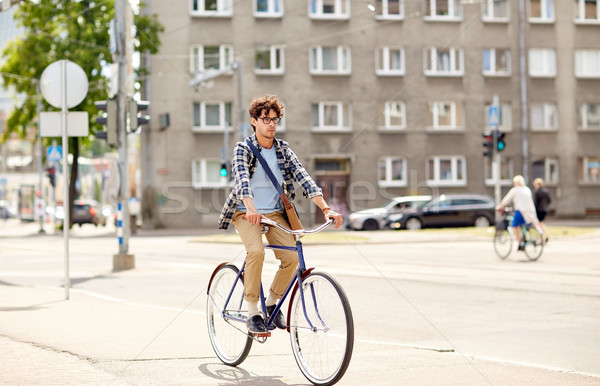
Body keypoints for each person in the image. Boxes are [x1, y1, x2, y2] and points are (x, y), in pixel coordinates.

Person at [218, 94, 343, 334]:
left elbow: (304, 178)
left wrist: (326, 208)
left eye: (275, 119)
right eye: (265, 119)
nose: (271, 124)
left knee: (293, 258)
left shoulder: (283, 149)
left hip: (275, 212)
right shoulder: (243, 149)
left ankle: (272, 304)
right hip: (246, 212)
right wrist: (251, 209)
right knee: (255, 252)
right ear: (254, 121)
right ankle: (253, 311)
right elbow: (242, 179)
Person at [496, 175, 540, 251]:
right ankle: (524, 238)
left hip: (521, 211)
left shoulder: (515, 190)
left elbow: (507, 199)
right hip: (530, 212)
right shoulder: (527, 189)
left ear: (516, 182)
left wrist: (499, 206)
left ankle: (520, 243)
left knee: (514, 226)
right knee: (522, 225)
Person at [533, 178, 551, 242]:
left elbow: (536, 203)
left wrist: (534, 210)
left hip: (539, 210)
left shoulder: (537, 192)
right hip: (545, 210)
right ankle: (546, 236)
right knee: (541, 223)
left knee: (539, 224)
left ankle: (541, 238)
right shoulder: (546, 191)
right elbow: (549, 200)